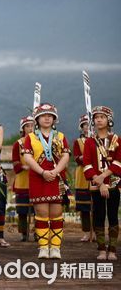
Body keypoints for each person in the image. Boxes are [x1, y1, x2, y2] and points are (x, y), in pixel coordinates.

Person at [23, 103, 70, 259]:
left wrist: (55, 171)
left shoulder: (61, 137)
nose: (47, 118)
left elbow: (66, 156)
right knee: (42, 212)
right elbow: (28, 157)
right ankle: (43, 247)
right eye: (43, 115)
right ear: (37, 119)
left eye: (50, 115)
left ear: (54, 119)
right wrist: (42, 172)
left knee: (57, 212)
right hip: (38, 177)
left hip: (57, 178)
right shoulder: (30, 137)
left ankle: (56, 248)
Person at [82, 106, 120, 260]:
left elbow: (118, 163)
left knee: (112, 216)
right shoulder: (90, 142)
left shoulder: (116, 140)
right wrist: (100, 184)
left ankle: (112, 250)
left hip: (114, 184)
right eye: (96, 117)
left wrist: (103, 177)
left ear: (108, 120)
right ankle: (101, 249)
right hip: (96, 185)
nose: (98, 120)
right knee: (98, 216)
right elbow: (87, 164)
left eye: (102, 117)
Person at [11, 116, 35, 241]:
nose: (30, 128)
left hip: (36, 179)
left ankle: (38, 233)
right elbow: (15, 162)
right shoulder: (18, 144)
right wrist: (23, 166)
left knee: (38, 210)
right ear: (23, 128)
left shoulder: (39, 142)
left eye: (32, 126)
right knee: (22, 210)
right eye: (27, 126)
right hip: (22, 180)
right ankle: (24, 233)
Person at [73, 114, 93, 242]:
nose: (88, 127)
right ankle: (86, 232)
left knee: (97, 208)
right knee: (84, 208)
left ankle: (96, 232)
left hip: (96, 175)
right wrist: (86, 157)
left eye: (90, 125)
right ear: (82, 127)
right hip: (82, 175)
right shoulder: (78, 142)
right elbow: (77, 158)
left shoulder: (99, 140)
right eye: (85, 125)